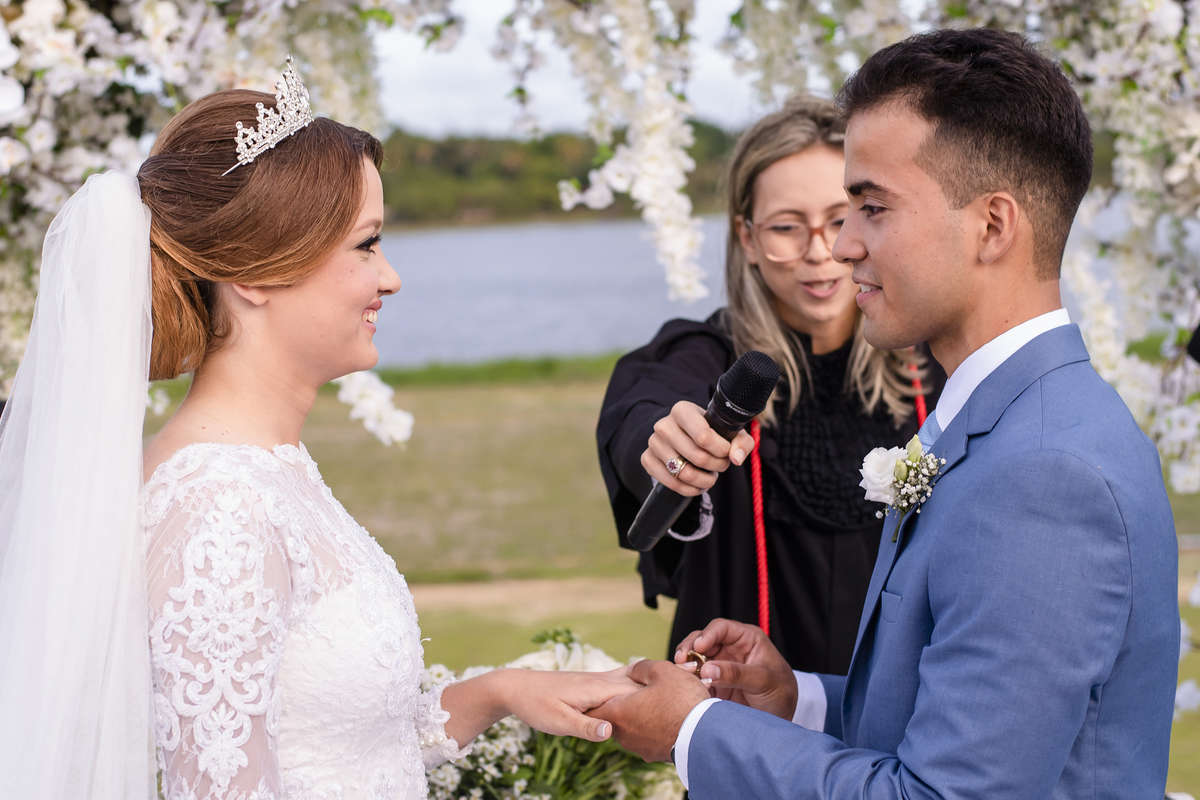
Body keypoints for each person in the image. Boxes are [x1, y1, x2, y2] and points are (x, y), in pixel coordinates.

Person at [0, 61, 635, 800]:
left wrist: (498, 692)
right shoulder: (217, 507)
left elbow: (334, 749)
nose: (390, 276)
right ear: (258, 276)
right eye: (366, 245)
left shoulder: (267, 467)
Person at [589, 28, 1180, 798]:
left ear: (992, 226)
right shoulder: (1004, 421)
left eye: (868, 207)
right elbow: (959, 724)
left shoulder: (1045, 477)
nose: (841, 246)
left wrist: (693, 730)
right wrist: (794, 700)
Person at [597, 95, 943, 673]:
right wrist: (664, 443)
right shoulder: (709, 360)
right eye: (786, 227)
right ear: (748, 237)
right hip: (743, 718)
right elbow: (646, 408)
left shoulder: (930, 369)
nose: (820, 252)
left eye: (842, 219)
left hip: (899, 718)